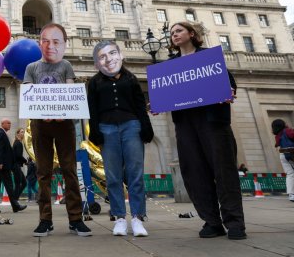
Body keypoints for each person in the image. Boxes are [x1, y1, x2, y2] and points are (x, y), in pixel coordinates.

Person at [167, 21, 246, 240]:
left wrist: (229, 90)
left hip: (213, 122)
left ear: (191, 34)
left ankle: (235, 222)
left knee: (224, 172)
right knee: (194, 173)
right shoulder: (170, 65)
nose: (174, 35)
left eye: (179, 30)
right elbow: (165, 93)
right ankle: (212, 221)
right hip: (186, 125)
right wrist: (156, 104)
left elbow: (229, 82)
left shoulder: (210, 57)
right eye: (172, 33)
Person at [23, 22, 92, 237]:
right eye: (45, 40)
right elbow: (28, 94)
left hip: (64, 125)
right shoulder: (31, 68)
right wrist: (42, 110)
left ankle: (75, 219)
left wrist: (63, 110)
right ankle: (45, 220)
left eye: (55, 41)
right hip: (40, 124)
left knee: (70, 170)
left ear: (63, 44)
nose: (50, 45)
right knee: (43, 172)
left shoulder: (66, 66)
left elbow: (71, 92)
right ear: (39, 43)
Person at [87, 40, 154, 237]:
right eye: (102, 56)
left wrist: (146, 126)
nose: (108, 59)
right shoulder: (94, 82)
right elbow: (92, 108)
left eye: (112, 54)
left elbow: (140, 105)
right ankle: (119, 218)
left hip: (131, 126)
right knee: (113, 175)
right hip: (106, 128)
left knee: (135, 173)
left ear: (119, 56)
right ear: (98, 61)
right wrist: (95, 131)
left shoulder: (131, 79)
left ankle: (138, 218)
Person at [0, 119, 26, 214]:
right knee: (9, 185)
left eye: (10, 123)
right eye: (8, 123)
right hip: (2, 165)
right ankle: (15, 206)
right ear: (2, 124)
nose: (10, 125)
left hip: (1, 165)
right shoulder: (1, 134)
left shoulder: (1, 134)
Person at [271, 119, 294, 202]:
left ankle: (291, 194)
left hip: (283, 155)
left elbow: (277, 144)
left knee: (290, 174)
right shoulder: (287, 131)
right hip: (291, 154)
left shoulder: (277, 135)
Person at [12, 128, 28, 201]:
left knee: (23, 183)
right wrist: (25, 161)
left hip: (16, 166)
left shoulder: (17, 142)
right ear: (17, 134)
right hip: (16, 166)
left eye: (23, 132)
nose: (23, 133)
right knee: (19, 184)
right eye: (22, 132)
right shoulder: (18, 143)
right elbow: (18, 155)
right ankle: (14, 200)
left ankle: (15, 199)